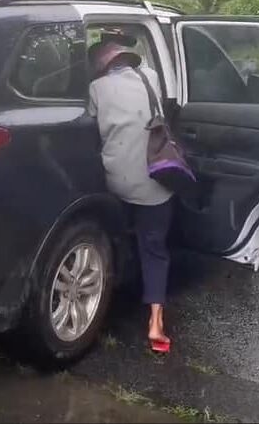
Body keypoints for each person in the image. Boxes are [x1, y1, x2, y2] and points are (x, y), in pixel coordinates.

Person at [87, 38, 174, 353]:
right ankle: (155, 323)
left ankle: (105, 303)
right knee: (154, 249)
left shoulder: (95, 90)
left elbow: (93, 129)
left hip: (116, 182)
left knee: (116, 238)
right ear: (127, 60)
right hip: (155, 180)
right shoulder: (150, 77)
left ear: (101, 65)